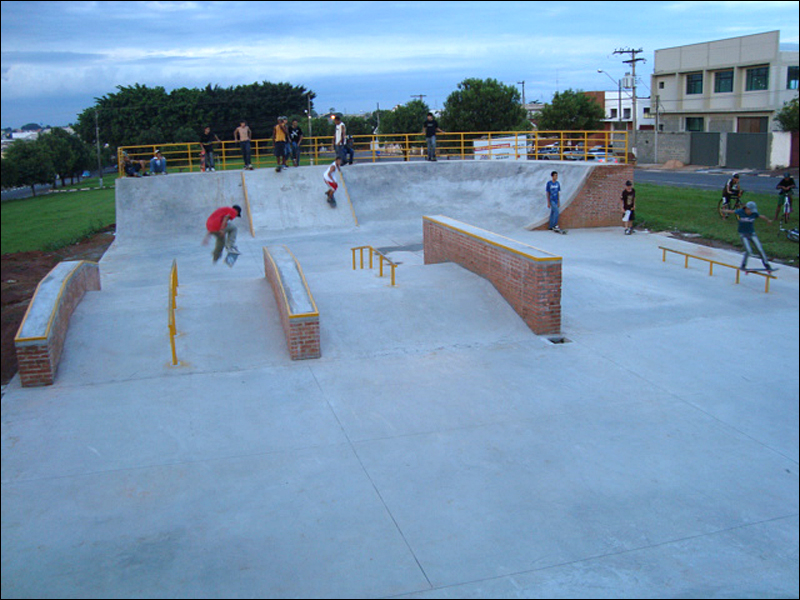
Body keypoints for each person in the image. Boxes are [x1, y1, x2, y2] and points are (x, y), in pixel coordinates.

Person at [720, 201, 775, 272]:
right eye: (750, 211)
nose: (751, 212)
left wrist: (768, 220)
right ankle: (743, 265)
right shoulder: (740, 211)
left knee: (760, 249)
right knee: (748, 251)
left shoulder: (754, 214)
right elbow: (732, 211)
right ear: (746, 208)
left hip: (752, 234)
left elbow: (762, 216)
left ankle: (767, 265)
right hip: (743, 235)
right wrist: (723, 211)